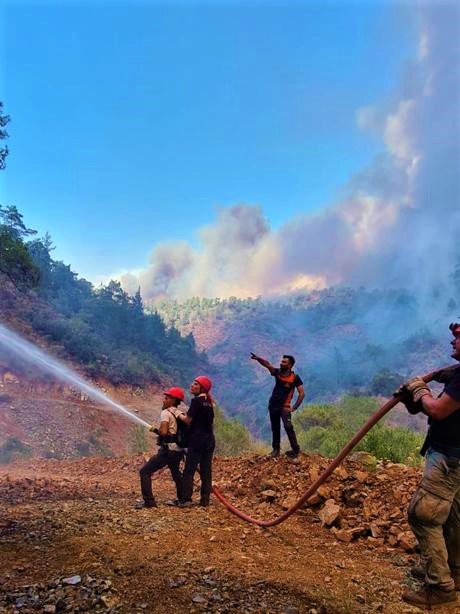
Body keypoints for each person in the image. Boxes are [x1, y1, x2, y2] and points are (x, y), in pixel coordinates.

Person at [396, 322, 460, 608]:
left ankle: (440, 587)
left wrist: (419, 388)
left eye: (458, 337)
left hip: (448, 457)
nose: (452, 341)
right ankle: (453, 572)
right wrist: (427, 386)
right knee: (453, 517)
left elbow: (438, 409)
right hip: (454, 457)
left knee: (423, 514)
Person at [136, 387, 186, 509]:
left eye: (166, 398)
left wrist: (156, 430)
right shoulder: (179, 413)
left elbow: (164, 432)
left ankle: (149, 502)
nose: (164, 400)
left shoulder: (165, 413)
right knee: (176, 473)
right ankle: (183, 499)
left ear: (173, 400)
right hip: (178, 450)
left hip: (167, 451)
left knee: (145, 472)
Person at [250, 352, 304, 458]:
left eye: (284, 362)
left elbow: (302, 393)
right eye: (281, 361)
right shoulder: (277, 373)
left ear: (290, 365)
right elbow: (267, 365)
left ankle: (296, 450)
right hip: (273, 405)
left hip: (285, 407)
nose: (281, 363)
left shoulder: (295, 378)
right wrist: (258, 358)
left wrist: (295, 407)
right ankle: (276, 450)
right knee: (275, 428)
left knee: (288, 427)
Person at [178, 375, 215, 508]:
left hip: (197, 441)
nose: (192, 386)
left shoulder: (197, 401)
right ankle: (205, 500)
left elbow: (188, 420)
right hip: (209, 440)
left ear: (202, 388)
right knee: (206, 472)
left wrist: (178, 414)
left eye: (195, 384)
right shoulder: (208, 401)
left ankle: (186, 499)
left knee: (189, 471)